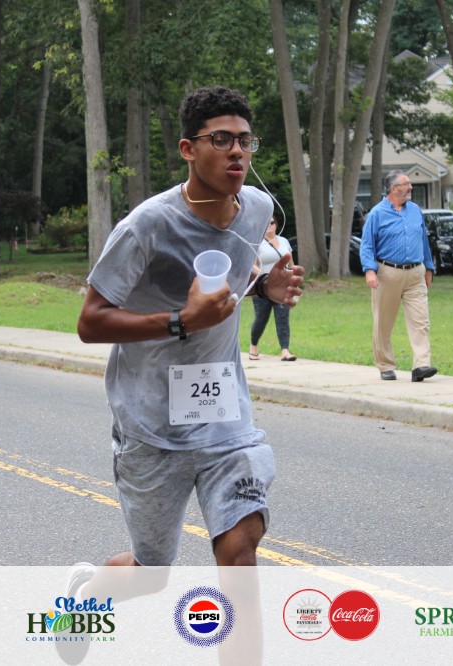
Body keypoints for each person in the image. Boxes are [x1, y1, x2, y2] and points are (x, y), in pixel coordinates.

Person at [71, 85, 304, 664]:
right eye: (220, 140)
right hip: (152, 424)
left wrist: (266, 287)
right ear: (187, 149)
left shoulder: (256, 208)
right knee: (151, 574)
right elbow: (90, 322)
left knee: (240, 554)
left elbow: (238, 272)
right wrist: (181, 321)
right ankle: (85, 597)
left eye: (244, 141)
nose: (236, 152)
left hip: (226, 420)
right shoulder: (146, 226)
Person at [359, 169, 438, 382]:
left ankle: (421, 365)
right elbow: (367, 245)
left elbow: (423, 241)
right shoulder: (377, 214)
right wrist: (369, 270)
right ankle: (386, 365)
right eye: (407, 184)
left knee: (421, 321)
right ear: (394, 188)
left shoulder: (415, 211)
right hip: (387, 274)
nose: (411, 187)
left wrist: (428, 268)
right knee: (383, 323)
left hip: (415, 274)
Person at [248, 217, 296, 361]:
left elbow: (291, 263)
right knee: (261, 318)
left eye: (272, 222)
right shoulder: (257, 243)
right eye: (266, 223)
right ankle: (253, 347)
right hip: (262, 287)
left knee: (282, 318)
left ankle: (285, 351)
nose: (269, 225)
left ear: (276, 225)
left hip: (282, 287)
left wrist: (294, 279)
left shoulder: (284, 241)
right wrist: (265, 277)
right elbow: (253, 265)